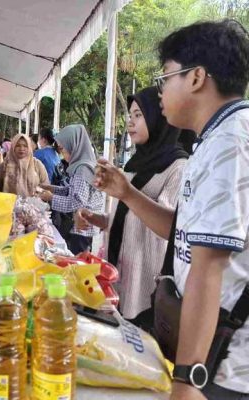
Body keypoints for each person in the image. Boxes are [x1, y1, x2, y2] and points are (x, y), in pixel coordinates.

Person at [94, 20, 249, 400]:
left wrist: (187, 378)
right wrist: (128, 194)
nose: (161, 90)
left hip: (223, 363)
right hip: (208, 350)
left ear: (196, 78)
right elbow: (184, 232)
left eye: (167, 76)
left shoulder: (232, 143)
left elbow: (209, 265)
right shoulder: (214, 139)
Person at [75, 86, 189, 330]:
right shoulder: (134, 163)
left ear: (159, 119)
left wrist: (126, 192)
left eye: (139, 115)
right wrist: (95, 218)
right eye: (130, 115)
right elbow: (125, 218)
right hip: (116, 277)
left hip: (145, 287)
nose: (130, 122)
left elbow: (170, 227)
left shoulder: (178, 167)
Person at [39, 124, 104, 255]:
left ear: (74, 147)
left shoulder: (82, 169)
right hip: (83, 226)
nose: (62, 154)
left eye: (63, 150)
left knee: (77, 262)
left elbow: (76, 202)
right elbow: (71, 190)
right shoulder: (83, 165)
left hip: (82, 229)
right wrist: (51, 188)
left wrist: (51, 198)